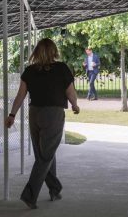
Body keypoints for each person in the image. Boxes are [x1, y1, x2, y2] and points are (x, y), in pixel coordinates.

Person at [7, 38, 80, 209]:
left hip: (35, 114)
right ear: (54, 51)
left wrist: (12, 114)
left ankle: (54, 189)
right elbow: (70, 92)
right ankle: (29, 195)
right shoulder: (61, 68)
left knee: (45, 154)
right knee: (45, 156)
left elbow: (20, 95)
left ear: (36, 52)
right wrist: (75, 105)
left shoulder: (30, 71)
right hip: (53, 114)